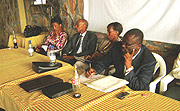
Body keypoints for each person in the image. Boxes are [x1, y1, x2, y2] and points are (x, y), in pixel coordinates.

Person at [86, 28, 156, 91]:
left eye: (127, 44)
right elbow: (104, 62)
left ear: (138, 46)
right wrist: (95, 69)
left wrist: (129, 67)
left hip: (133, 90)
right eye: (123, 42)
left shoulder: (148, 61)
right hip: (116, 84)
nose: (123, 45)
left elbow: (140, 87)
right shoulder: (118, 46)